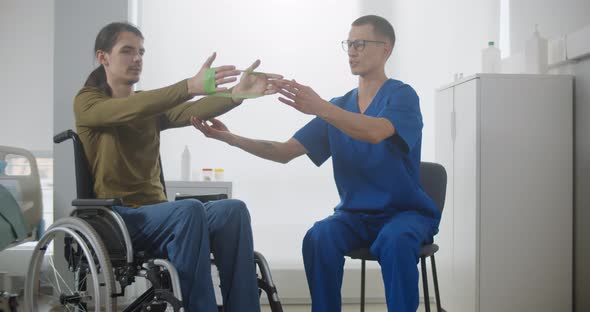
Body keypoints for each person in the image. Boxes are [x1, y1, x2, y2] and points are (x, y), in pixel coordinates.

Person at [191, 15, 440, 312]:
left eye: (360, 43)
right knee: (319, 237)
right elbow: (284, 152)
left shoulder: (402, 97)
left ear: (386, 49)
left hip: (405, 214)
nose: (352, 50)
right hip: (356, 216)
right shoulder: (338, 107)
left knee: (395, 240)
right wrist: (230, 138)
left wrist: (320, 107)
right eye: (349, 44)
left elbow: (374, 132)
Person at [74, 22, 280, 312]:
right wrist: (189, 86)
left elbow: (189, 111)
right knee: (189, 209)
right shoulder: (87, 101)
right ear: (103, 57)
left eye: (141, 52)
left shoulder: (146, 104)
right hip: (119, 218)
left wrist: (236, 93)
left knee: (232, 210)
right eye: (127, 51)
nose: (137, 59)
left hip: (158, 214)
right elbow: (126, 110)